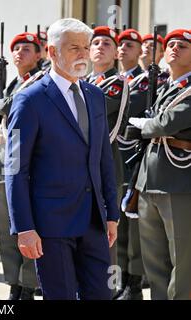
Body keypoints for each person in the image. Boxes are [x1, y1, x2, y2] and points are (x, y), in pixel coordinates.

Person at [5, 18, 119, 300]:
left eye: (85, 47)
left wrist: (112, 214)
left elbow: (103, 156)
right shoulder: (30, 100)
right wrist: (24, 227)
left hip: (93, 221)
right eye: (73, 48)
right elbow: (16, 168)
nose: (83, 54)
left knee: (100, 295)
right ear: (52, 52)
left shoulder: (95, 95)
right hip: (50, 225)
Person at [128, 29, 191, 300]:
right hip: (148, 178)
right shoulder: (165, 87)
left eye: (183, 46)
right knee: (154, 259)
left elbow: (165, 123)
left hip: (178, 180)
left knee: (182, 259)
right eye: (171, 45)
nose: (174, 48)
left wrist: (143, 125)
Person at [0, 32, 43, 300]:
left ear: (39, 55)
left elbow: (7, 107)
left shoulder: (40, 81)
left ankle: (29, 285)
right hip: (4, 163)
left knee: (27, 227)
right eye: (16, 48)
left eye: (27, 49)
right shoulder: (10, 84)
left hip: (28, 166)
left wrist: (0, 106)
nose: (20, 52)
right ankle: (13, 284)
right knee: (7, 231)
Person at [86, 26, 130, 297]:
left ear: (115, 53)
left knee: (106, 236)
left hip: (105, 169)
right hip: (78, 168)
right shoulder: (84, 81)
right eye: (95, 43)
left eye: (106, 44)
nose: (100, 47)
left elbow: (86, 112)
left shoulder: (117, 83)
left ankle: (108, 291)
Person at [115, 28, 148, 298]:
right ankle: (121, 280)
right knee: (119, 228)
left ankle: (134, 285)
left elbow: (127, 107)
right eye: (121, 44)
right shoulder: (115, 80)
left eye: (130, 45)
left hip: (133, 157)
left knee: (134, 228)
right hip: (116, 157)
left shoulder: (145, 81)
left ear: (140, 52)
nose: (124, 49)